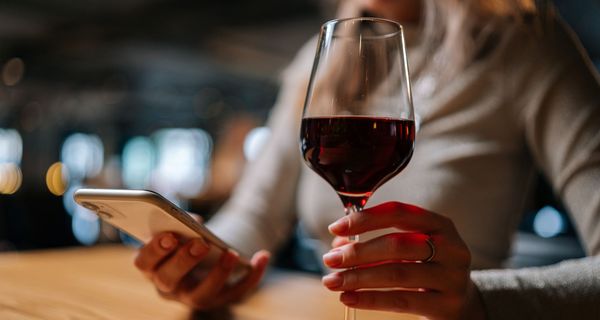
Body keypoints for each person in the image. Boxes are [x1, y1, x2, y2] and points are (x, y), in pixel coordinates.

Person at [133, 0, 600, 319]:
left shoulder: (529, 46)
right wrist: (202, 263)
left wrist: (480, 300)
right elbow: (253, 219)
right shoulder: (319, 59)